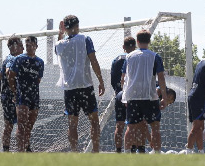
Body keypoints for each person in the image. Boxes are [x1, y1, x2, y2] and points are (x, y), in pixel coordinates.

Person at [55, 15, 106, 152]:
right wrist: (101, 80)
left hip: (70, 89)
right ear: (77, 26)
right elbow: (93, 60)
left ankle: (74, 152)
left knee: (72, 124)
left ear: (65, 27)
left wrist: (60, 33)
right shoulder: (85, 39)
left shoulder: (60, 44)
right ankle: (95, 151)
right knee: (94, 122)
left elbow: (57, 48)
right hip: (85, 87)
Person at [120, 30, 170, 154]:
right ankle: (157, 153)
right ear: (149, 41)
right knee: (155, 127)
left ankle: (126, 154)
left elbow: (123, 79)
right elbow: (161, 78)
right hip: (150, 97)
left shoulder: (129, 56)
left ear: (137, 41)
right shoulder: (155, 56)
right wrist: (164, 97)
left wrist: (125, 97)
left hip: (133, 97)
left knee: (131, 127)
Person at [9, 36, 44, 152]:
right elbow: (11, 77)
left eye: (31, 45)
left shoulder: (40, 62)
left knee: (29, 126)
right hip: (22, 96)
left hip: (34, 96)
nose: (29, 47)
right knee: (21, 125)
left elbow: (38, 79)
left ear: (36, 46)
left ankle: (25, 147)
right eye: (27, 45)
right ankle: (20, 151)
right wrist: (15, 92)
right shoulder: (19, 59)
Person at [110, 36, 136, 153]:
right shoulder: (135, 58)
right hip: (133, 96)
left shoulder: (116, 59)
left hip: (120, 95)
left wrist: (117, 91)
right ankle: (133, 150)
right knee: (134, 125)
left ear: (123, 47)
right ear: (135, 47)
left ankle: (118, 151)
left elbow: (112, 78)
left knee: (119, 126)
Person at [0, 36, 23, 152]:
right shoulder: (11, 59)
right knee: (12, 125)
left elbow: (0, 75)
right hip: (11, 97)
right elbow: (8, 72)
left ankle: (10, 150)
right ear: (13, 47)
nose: (23, 47)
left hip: (9, 95)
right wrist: (14, 91)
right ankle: (13, 149)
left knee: (14, 125)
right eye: (20, 45)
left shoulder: (10, 59)